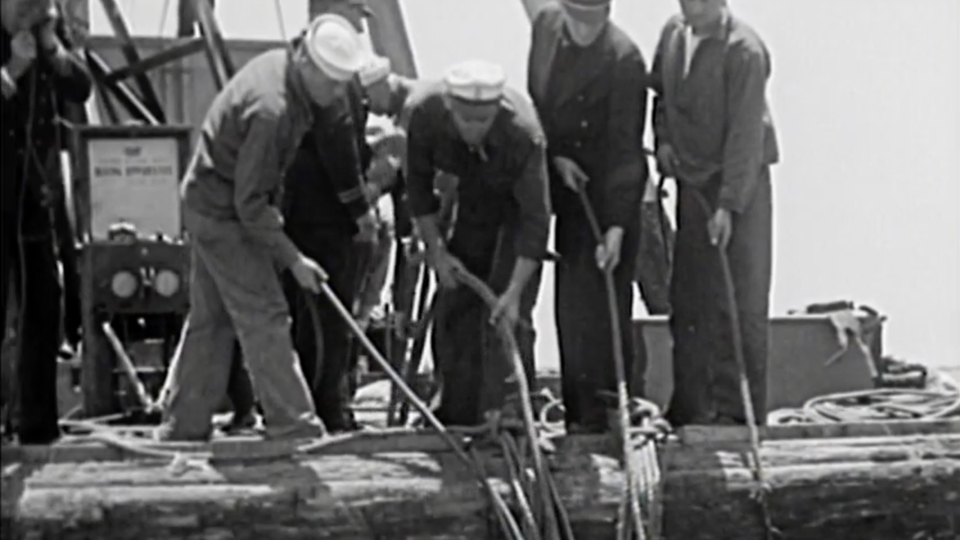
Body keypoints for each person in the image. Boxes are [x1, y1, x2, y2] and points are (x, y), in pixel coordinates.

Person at [156, 13, 369, 441]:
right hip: (223, 214)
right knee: (266, 315)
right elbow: (250, 204)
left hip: (208, 201)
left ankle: (185, 425)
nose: (337, 93)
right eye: (331, 83)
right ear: (308, 64)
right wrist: (293, 259)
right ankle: (295, 425)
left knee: (212, 319)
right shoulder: (273, 109)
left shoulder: (282, 69)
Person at [650, 0, 779, 426]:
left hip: (741, 189)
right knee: (687, 300)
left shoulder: (745, 52)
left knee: (739, 308)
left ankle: (738, 414)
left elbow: (746, 137)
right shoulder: (673, 33)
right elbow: (661, 97)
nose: (695, 7)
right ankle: (690, 407)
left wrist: (728, 206)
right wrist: (664, 140)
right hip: (692, 181)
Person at [405, 60, 551, 427]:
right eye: (466, 121)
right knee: (455, 304)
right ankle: (455, 407)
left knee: (507, 317)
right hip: (472, 203)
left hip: (515, 215)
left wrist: (515, 291)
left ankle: (513, 409)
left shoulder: (524, 135)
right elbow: (418, 192)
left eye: (483, 122)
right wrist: (437, 253)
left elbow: (536, 223)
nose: (474, 130)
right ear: (450, 108)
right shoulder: (425, 115)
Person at [527, 0, 649, 433]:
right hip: (566, 185)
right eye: (575, 21)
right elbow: (538, 101)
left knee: (605, 304)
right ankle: (580, 417)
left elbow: (625, 150)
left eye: (592, 23)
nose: (582, 31)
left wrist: (615, 227)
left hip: (608, 194)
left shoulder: (624, 60)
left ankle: (609, 408)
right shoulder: (545, 27)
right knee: (571, 305)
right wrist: (556, 156)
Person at [1, 0, 92, 444]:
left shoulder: (44, 35)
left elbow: (82, 88)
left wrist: (53, 50)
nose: (30, 15)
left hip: (34, 199)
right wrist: (13, 70)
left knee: (45, 305)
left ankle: (37, 426)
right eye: (24, 7)